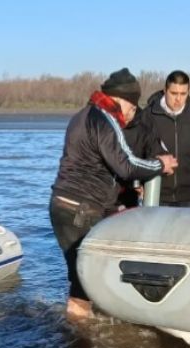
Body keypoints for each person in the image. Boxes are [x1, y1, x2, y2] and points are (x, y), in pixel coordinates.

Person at [50, 68, 178, 320]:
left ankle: (77, 333)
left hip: (61, 205)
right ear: (122, 100)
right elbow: (127, 164)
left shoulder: (81, 116)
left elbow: (100, 165)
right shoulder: (105, 119)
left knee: (81, 276)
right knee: (84, 282)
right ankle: (80, 340)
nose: (131, 115)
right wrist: (160, 164)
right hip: (82, 210)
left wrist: (128, 187)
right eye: (132, 107)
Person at [137, 70, 190, 207]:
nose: (178, 99)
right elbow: (136, 152)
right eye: (174, 93)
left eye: (183, 94)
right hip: (154, 194)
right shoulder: (148, 116)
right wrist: (138, 183)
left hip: (187, 195)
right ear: (165, 90)